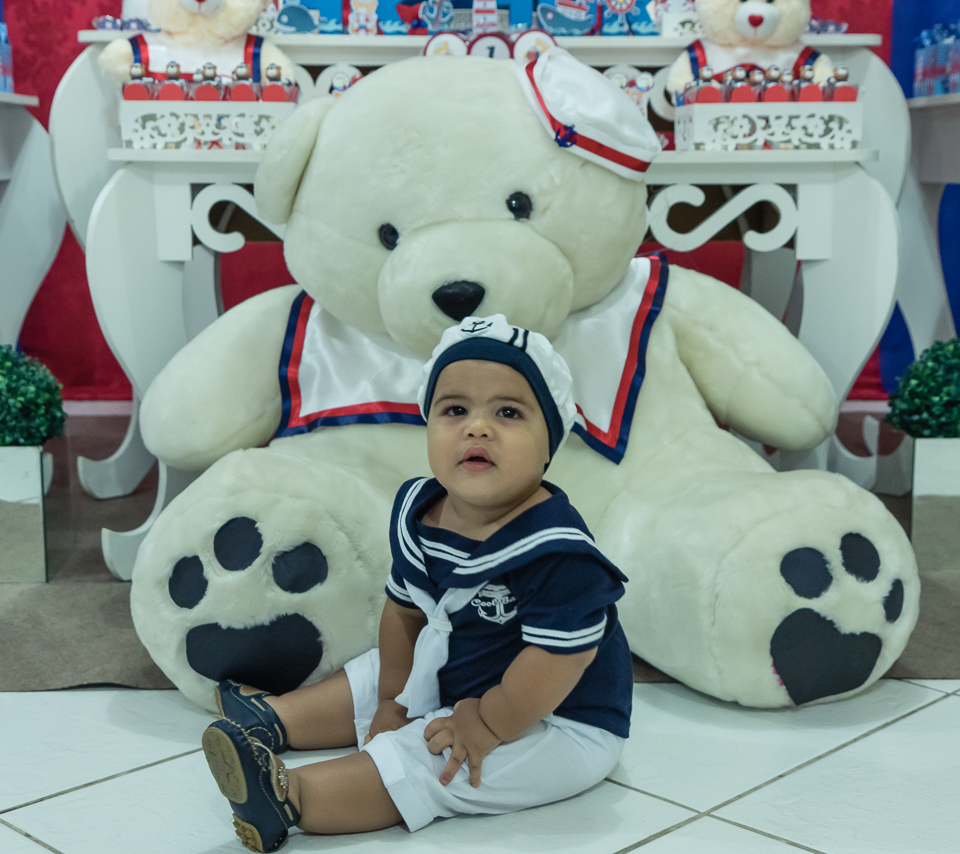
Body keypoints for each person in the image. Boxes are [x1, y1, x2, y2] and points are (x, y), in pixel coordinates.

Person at [202, 314, 634, 853]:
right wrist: (392, 701)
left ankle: (292, 798)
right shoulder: (418, 511)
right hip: (465, 670)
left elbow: (558, 661)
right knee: (380, 668)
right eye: (455, 410)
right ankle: (274, 719)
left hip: (554, 715)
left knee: (440, 763)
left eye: (508, 412)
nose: (478, 428)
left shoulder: (559, 551)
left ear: (551, 442)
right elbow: (404, 614)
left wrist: (487, 723)